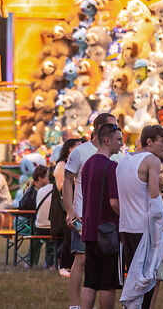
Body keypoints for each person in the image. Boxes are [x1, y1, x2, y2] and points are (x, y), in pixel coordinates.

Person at [63, 112, 117, 309]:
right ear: (101, 129)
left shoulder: (117, 151)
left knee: (100, 264)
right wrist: (70, 210)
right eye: (113, 126)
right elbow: (67, 180)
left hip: (109, 216)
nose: (117, 129)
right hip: (82, 213)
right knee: (81, 257)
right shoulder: (80, 152)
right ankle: (75, 305)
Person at [116, 124, 163, 309]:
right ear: (149, 141)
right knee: (146, 282)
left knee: (134, 278)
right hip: (144, 229)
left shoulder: (125, 159)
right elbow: (155, 199)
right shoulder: (151, 160)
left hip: (126, 227)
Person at [80, 123, 123, 309]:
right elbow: (114, 202)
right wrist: (127, 217)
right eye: (118, 140)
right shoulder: (112, 167)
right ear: (107, 140)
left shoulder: (88, 164)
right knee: (108, 285)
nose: (121, 144)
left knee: (90, 282)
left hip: (89, 229)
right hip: (108, 232)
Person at [54, 138, 81, 275]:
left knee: (74, 234)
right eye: (78, 146)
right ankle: (63, 265)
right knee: (69, 235)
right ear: (70, 149)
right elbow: (60, 185)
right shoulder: (61, 165)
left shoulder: (74, 164)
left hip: (73, 203)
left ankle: (70, 265)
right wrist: (75, 178)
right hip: (64, 206)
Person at [29, 165, 55, 268]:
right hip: (53, 229)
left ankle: (30, 261)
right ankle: (51, 263)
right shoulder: (59, 190)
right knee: (58, 230)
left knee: (37, 229)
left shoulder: (40, 190)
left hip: (40, 228)